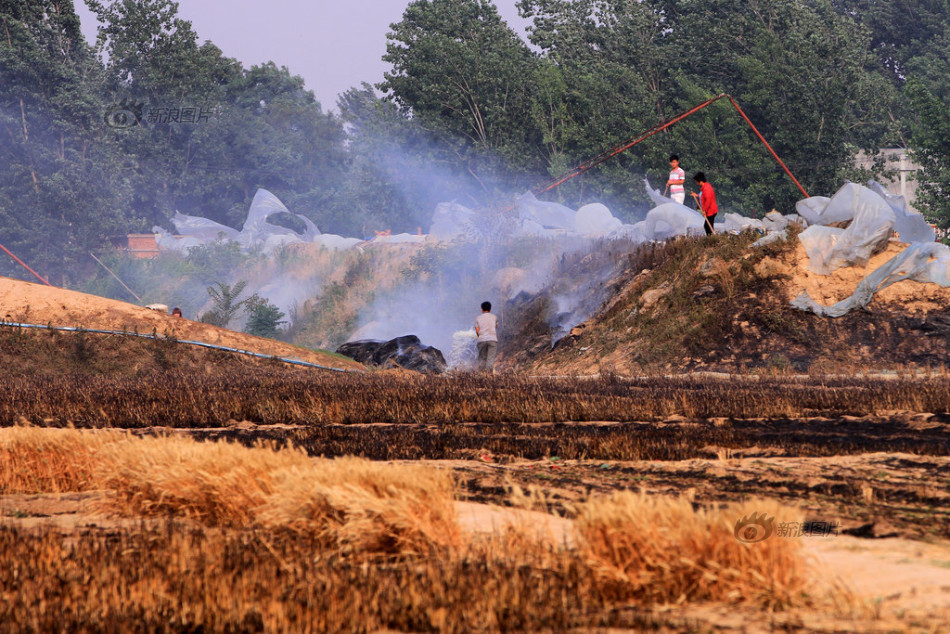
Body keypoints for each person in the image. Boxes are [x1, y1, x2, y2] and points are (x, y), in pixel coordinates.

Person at [474, 301, 498, 372]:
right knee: (490, 358)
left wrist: (480, 335)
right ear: (490, 309)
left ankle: (481, 375)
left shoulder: (478, 318)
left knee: (482, 358)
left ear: (482, 309)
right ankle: (488, 375)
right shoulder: (494, 317)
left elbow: (477, 330)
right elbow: (495, 326)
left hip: (482, 340)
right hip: (492, 339)